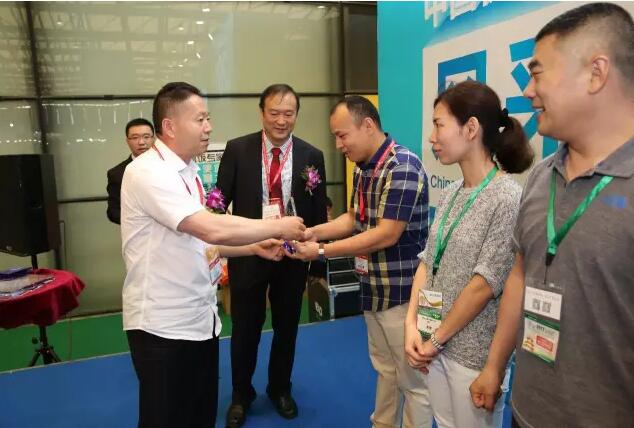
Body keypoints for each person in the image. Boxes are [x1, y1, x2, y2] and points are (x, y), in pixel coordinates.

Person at [469, 4, 634, 428]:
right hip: (527, 411)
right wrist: (494, 366)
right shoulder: (541, 178)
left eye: (538, 73)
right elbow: (520, 273)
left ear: (596, 73)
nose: (527, 91)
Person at [120, 81, 306, 428]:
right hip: (163, 326)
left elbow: (201, 242)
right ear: (170, 126)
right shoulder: (148, 172)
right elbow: (210, 228)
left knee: (200, 413)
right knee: (167, 418)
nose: (208, 127)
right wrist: (277, 227)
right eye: (200, 119)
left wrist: (252, 247)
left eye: (208, 118)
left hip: (199, 319)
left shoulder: (188, 173)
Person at [287, 96, 432, 428]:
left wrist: (321, 251)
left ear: (367, 125)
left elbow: (386, 234)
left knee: (414, 383)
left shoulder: (402, 166)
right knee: (386, 368)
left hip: (402, 295)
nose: (339, 145)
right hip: (374, 289)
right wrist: (312, 232)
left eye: (342, 135)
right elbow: (355, 218)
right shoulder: (365, 168)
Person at [404, 80, 534, 428]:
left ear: (471, 128)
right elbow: (428, 262)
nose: (432, 137)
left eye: (439, 124)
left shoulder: (507, 198)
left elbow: (484, 285)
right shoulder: (451, 193)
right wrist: (412, 325)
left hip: (472, 355)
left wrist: (436, 339)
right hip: (434, 343)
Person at [216, 83, 327, 427]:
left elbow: (317, 213)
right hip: (249, 253)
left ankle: (280, 388)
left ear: (296, 115)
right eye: (274, 113)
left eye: (288, 114)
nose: (281, 120)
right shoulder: (238, 149)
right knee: (245, 327)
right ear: (262, 112)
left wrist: (315, 260)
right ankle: (241, 394)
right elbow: (218, 201)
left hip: (292, 256)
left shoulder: (312, 155)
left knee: (287, 326)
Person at [106, 118, 155, 224]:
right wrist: (139, 222)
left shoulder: (169, 166)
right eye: (135, 137)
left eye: (146, 137)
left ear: (153, 139)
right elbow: (113, 212)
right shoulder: (117, 173)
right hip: (138, 231)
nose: (141, 142)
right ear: (127, 141)